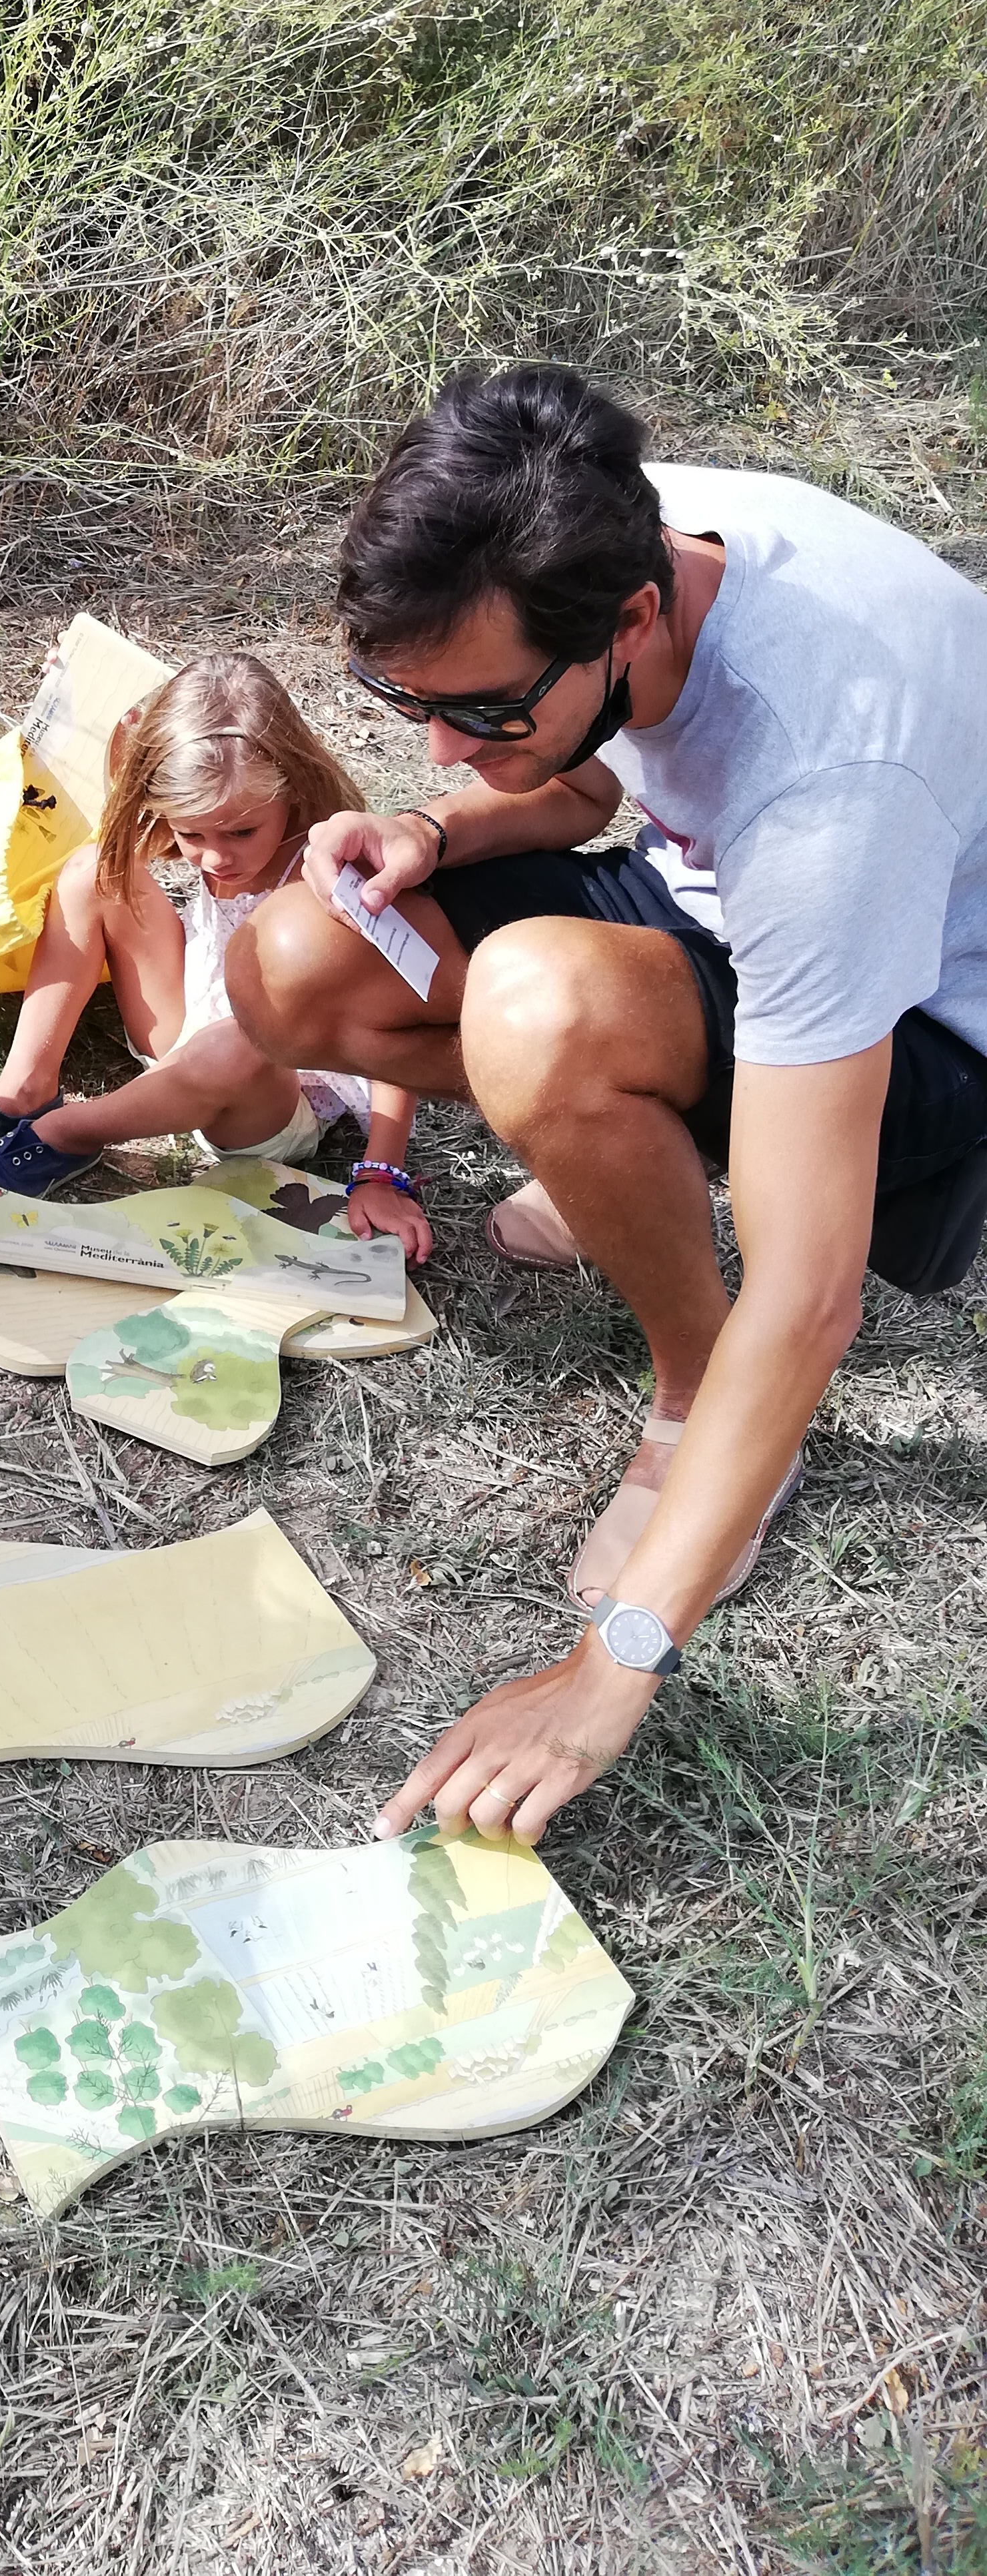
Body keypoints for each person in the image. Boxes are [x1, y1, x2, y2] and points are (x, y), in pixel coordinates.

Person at [225, 363, 987, 1847]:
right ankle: (614, 1129)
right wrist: (433, 823)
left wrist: (610, 1667)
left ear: (635, 618)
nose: (440, 743)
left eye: (481, 711)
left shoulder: (834, 782)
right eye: (408, 706)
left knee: (540, 1017)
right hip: (723, 914)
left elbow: (814, 1294)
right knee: (300, 957)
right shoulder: (618, 527)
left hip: (924, 1025)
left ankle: (695, 1391)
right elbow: (583, 785)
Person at [0, 655, 432, 1260]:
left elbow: (399, 1028)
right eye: (192, 835)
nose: (213, 858)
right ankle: (24, 1088)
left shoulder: (336, 877)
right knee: (94, 869)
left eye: (240, 833)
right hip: (192, 1021)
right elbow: (127, 793)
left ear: (291, 788)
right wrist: (81, 695)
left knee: (242, 1039)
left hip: (270, 1093)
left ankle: (69, 1131)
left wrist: (380, 1173)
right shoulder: (212, 807)